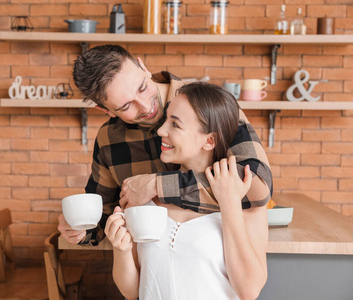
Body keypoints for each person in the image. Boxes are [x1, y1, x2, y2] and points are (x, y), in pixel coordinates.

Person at [58, 44, 272, 245]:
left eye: (142, 88)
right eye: (125, 106)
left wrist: (156, 185)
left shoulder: (207, 104)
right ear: (105, 110)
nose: (145, 107)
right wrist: (81, 229)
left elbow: (256, 185)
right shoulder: (108, 139)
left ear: (143, 67)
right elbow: (103, 215)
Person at [105, 82, 268, 300]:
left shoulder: (244, 200)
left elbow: (249, 290)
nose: (161, 131)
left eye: (175, 125)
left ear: (209, 140)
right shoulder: (144, 196)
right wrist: (121, 250)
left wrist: (229, 203)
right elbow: (132, 290)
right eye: (166, 121)